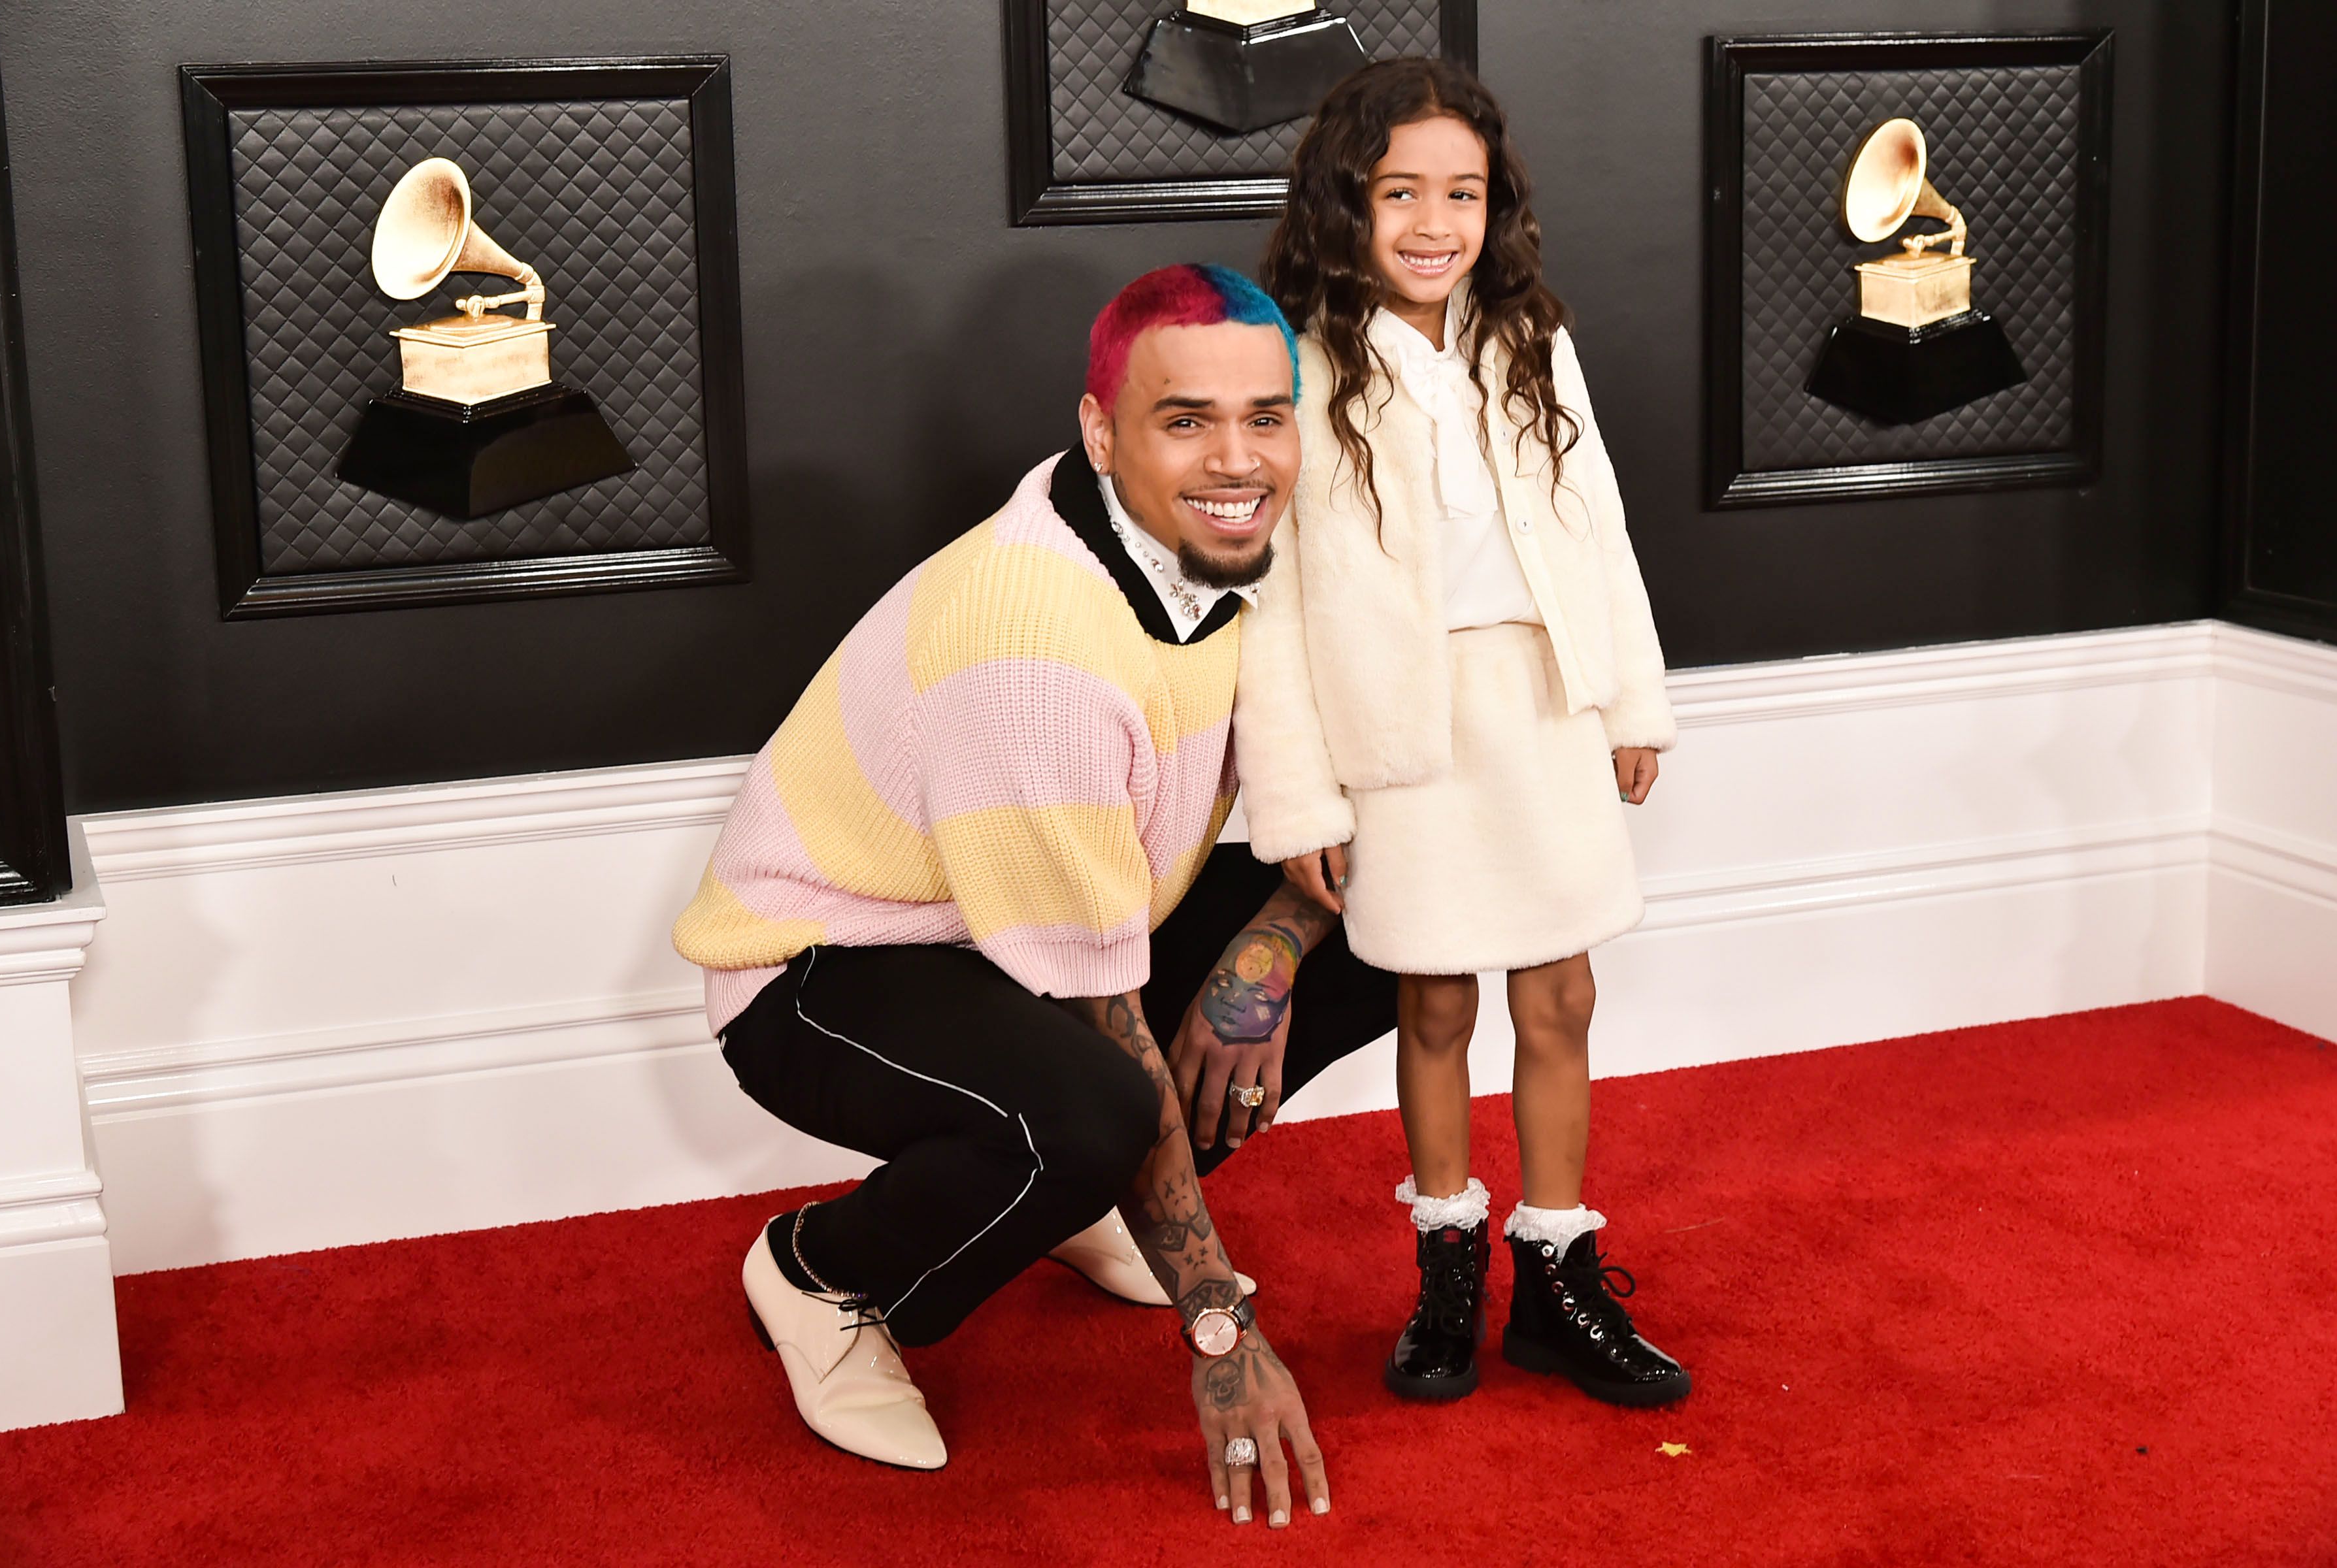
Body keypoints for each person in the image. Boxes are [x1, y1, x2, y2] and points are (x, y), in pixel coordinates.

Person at [672, 263, 1397, 1527]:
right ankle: (820, 1273)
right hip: (826, 962)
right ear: (1101, 433)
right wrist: (1219, 1330)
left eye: (1266, 417)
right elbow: (1096, 1015)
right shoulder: (1033, 647)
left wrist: (1271, 951)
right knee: (1090, 1111)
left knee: (1393, 928)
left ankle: (1077, 1196)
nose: (1239, 461)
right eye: (1186, 421)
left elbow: (1358, 780)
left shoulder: (1254, 535)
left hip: (1054, 928)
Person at [1233, 59, 1691, 1407]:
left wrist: (1631, 697)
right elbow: (1275, 600)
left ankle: (1557, 1280)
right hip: (1404, 728)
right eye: (1401, 194)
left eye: (1464, 194)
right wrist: (1300, 798)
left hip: (1540, 702)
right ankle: (1447, 1273)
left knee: (1561, 995)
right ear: (1345, 202)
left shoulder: (1531, 339)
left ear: (1498, 207)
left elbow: (1599, 523)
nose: (1435, 224)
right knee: (1433, 1001)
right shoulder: (1300, 366)